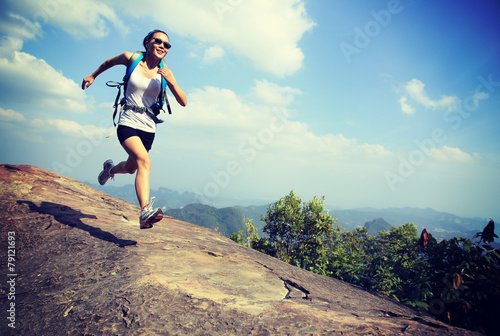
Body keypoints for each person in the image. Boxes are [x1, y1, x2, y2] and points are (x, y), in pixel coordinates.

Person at [82, 29, 187, 229]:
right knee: (145, 161)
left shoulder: (165, 71)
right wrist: (93, 75)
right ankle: (145, 211)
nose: (163, 46)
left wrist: (171, 81)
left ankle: (109, 170)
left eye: (167, 45)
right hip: (128, 121)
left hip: (148, 127)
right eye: (158, 41)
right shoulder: (131, 58)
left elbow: (183, 101)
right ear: (147, 42)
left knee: (132, 168)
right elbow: (108, 63)